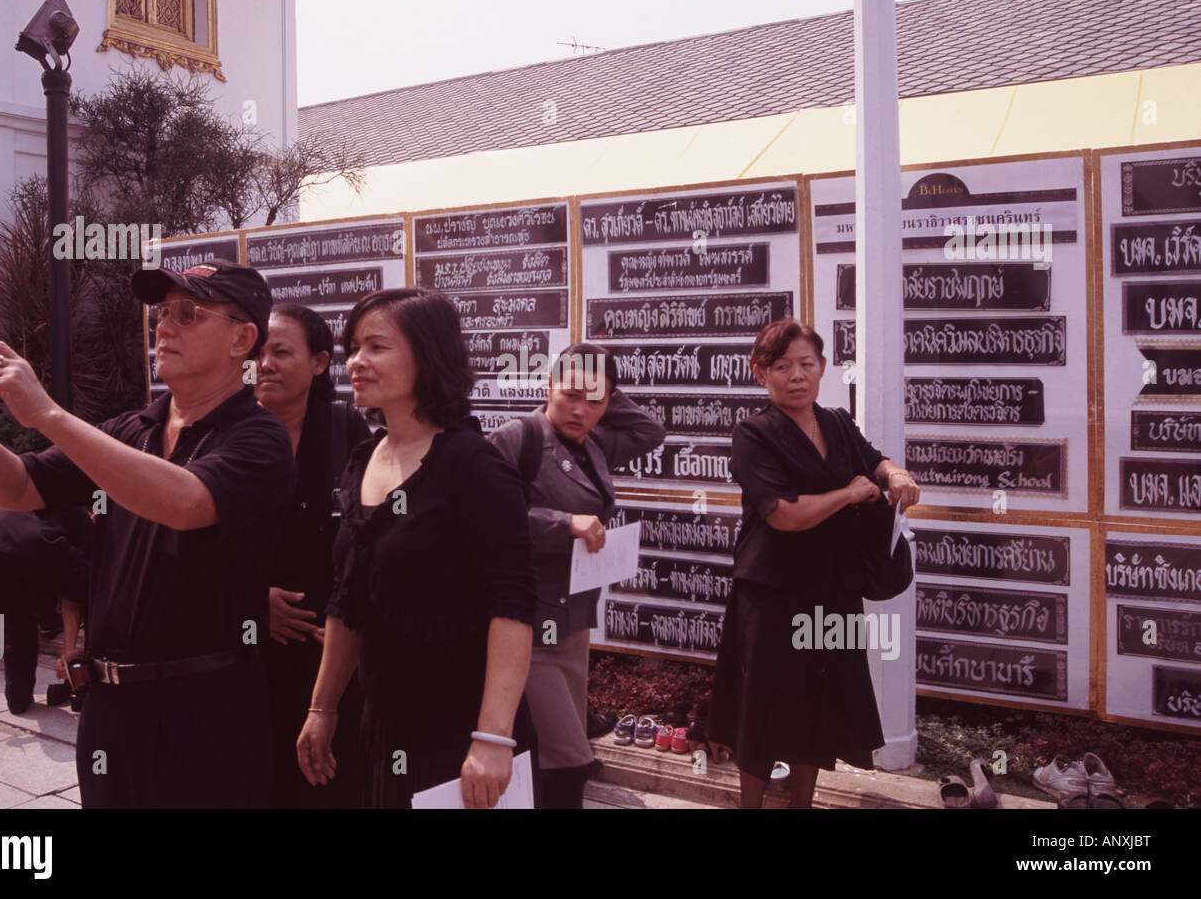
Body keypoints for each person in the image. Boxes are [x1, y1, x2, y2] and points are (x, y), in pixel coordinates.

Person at [0, 259, 295, 807]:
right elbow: (16, 488)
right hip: (109, 709)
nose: (164, 326)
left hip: (203, 708)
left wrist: (47, 413)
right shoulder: (131, 429)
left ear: (243, 338)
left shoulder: (259, 439)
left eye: (187, 313)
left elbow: (186, 501)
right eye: (161, 312)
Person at [296, 287, 537, 809]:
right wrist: (323, 708)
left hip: (464, 736)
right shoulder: (363, 459)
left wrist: (493, 739)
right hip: (382, 726)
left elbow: (513, 606)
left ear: (429, 356)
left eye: (377, 347)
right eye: (353, 348)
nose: (357, 362)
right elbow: (347, 600)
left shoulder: (474, 466)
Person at [707, 318, 920, 808]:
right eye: (782, 366)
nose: (796, 375)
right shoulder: (753, 434)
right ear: (760, 373)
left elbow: (875, 461)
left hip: (833, 587)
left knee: (819, 704)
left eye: (806, 364)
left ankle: (801, 802)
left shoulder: (838, 422)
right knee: (761, 707)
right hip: (771, 594)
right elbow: (783, 515)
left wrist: (896, 472)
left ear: (823, 368)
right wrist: (847, 494)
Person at [488, 343, 665, 807]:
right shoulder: (518, 437)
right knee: (570, 756)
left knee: (548, 753)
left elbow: (651, 431)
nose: (580, 409)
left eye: (595, 401)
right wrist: (563, 523)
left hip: (574, 617)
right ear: (547, 384)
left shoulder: (595, 443)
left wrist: (600, 376)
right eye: (569, 394)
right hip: (524, 622)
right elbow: (483, 517)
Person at [255, 303, 371, 808]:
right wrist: (252, 602)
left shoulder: (349, 434)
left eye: (281, 352)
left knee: (332, 784)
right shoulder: (225, 436)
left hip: (336, 656)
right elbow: (187, 544)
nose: (265, 364)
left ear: (320, 362)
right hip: (247, 654)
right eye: (259, 352)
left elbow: (373, 549)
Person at [0, 505, 91, 714]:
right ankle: (80, 683)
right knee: (90, 588)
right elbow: (73, 595)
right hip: (38, 546)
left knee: (16, 616)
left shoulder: (11, 495)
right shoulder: (76, 510)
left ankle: (17, 698)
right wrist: (69, 651)